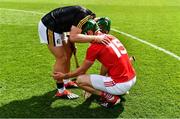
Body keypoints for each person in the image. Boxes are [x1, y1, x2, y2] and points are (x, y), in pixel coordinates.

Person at [52, 19, 136, 108]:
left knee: (80, 80)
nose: (83, 37)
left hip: (120, 84)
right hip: (132, 78)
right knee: (107, 74)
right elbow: (106, 64)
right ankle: (120, 90)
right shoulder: (111, 37)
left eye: (84, 34)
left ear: (89, 32)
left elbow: (81, 71)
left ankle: (111, 98)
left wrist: (64, 76)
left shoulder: (94, 48)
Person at [38, 5, 108, 99]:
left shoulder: (88, 18)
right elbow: (74, 36)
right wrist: (96, 38)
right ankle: (61, 91)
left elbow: (72, 28)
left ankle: (66, 82)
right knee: (62, 58)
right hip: (50, 27)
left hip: (60, 27)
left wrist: (72, 44)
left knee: (69, 52)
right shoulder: (84, 18)